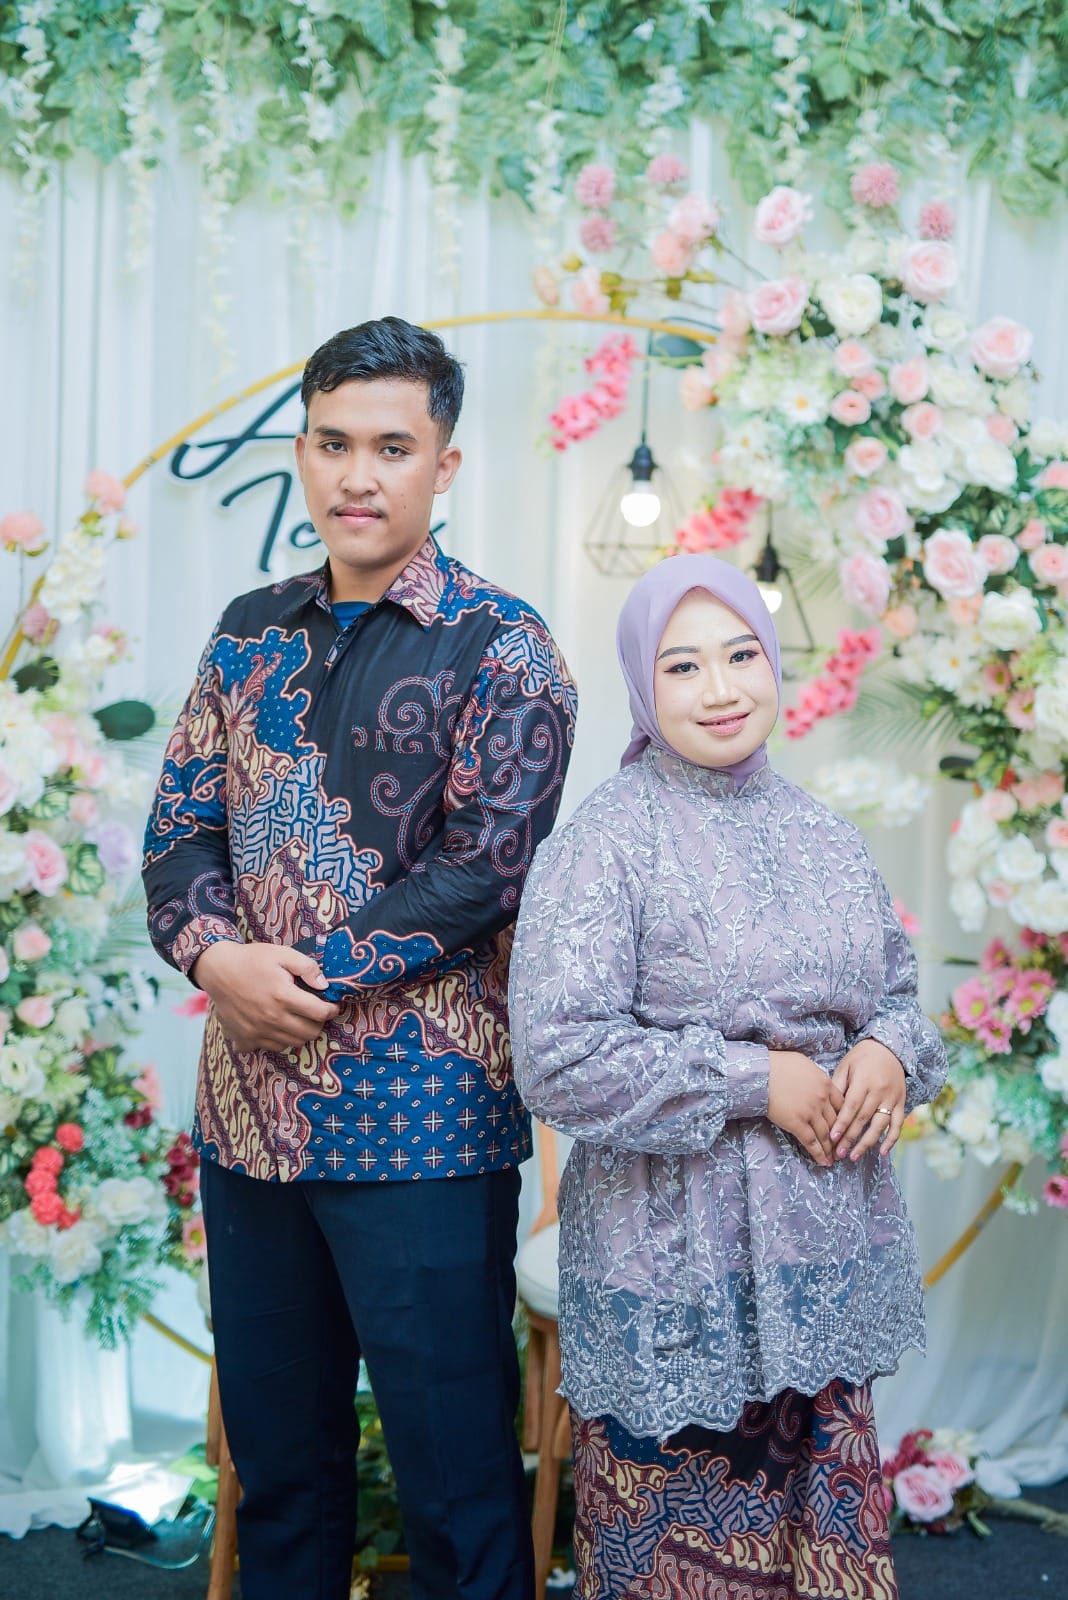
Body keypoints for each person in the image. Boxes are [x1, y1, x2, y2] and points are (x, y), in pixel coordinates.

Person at [142, 316, 576, 1600]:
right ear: (303, 453)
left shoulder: (503, 644)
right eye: (333, 443)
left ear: (445, 465)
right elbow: (178, 832)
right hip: (250, 1124)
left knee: (457, 1489)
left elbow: (485, 869)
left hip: (422, 1128)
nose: (358, 475)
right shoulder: (246, 631)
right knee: (281, 1478)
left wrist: (296, 974)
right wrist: (216, 958)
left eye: (393, 447)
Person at [508, 554, 947, 1600]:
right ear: (641, 685)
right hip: (676, 1275)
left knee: (820, 1556)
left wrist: (889, 1051)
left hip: (822, 1252)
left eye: (742, 655)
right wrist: (758, 1080)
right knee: (684, 1563)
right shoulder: (605, 843)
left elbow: (900, 1001)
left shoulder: (826, 836)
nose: (721, 688)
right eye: (683, 665)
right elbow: (557, 1056)